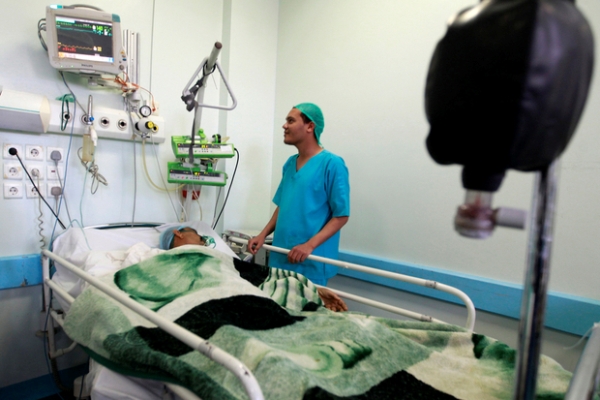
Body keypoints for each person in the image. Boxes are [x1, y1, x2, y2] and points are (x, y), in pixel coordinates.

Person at [248, 103, 350, 286]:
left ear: (310, 127)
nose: (284, 125)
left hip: (310, 261)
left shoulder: (332, 164)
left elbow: (341, 216)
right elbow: (283, 205)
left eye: (291, 120)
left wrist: (309, 246)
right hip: (281, 256)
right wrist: (262, 235)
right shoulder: (290, 164)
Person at [159, 225, 348, 312]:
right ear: (178, 233)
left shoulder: (215, 255)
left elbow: (247, 273)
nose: (203, 240)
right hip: (221, 293)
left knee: (271, 283)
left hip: (241, 286)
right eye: (199, 236)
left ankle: (307, 294)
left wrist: (313, 287)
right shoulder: (167, 261)